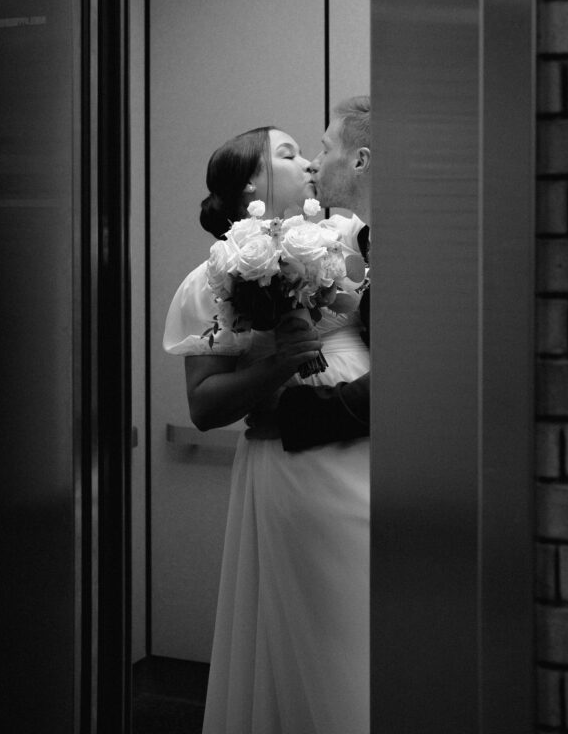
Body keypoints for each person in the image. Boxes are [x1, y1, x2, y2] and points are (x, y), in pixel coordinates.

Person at [163, 125, 369, 734]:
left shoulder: (348, 245)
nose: (308, 163)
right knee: (331, 636)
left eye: (309, 151)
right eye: (288, 153)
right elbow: (204, 406)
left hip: (371, 443)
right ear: (252, 183)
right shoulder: (212, 280)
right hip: (299, 462)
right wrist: (280, 359)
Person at [248, 95, 372, 451]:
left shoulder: (408, 243)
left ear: (360, 161)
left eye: (324, 149)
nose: (313, 164)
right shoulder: (362, 237)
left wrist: (295, 414)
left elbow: (412, 378)